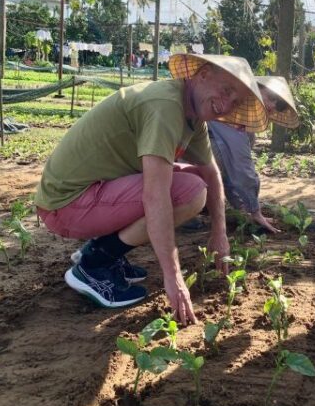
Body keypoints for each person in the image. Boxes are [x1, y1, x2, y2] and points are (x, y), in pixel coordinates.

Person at [34, 53, 267, 324]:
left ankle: (104, 251)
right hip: (65, 205)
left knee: (194, 179)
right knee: (189, 192)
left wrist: (219, 234)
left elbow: (211, 172)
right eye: (225, 90)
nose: (226, 104)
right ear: (202, 75)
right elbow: (155, 195)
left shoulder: (191, 116)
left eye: (235, 101)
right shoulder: (165, 105)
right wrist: (174, 277)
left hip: (90, 195)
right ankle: (94, 264)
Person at [207, 75, 300, 234]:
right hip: (175, 161)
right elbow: (241, 169)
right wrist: (255, 211)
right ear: (254, 89)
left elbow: (231, 173)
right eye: (270, 97)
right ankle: (185, 208)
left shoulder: (245, 128)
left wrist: (242, 207)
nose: (271, 105)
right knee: (214, 159)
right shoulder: (228, 110)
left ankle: (201, 204)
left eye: (277, 105)